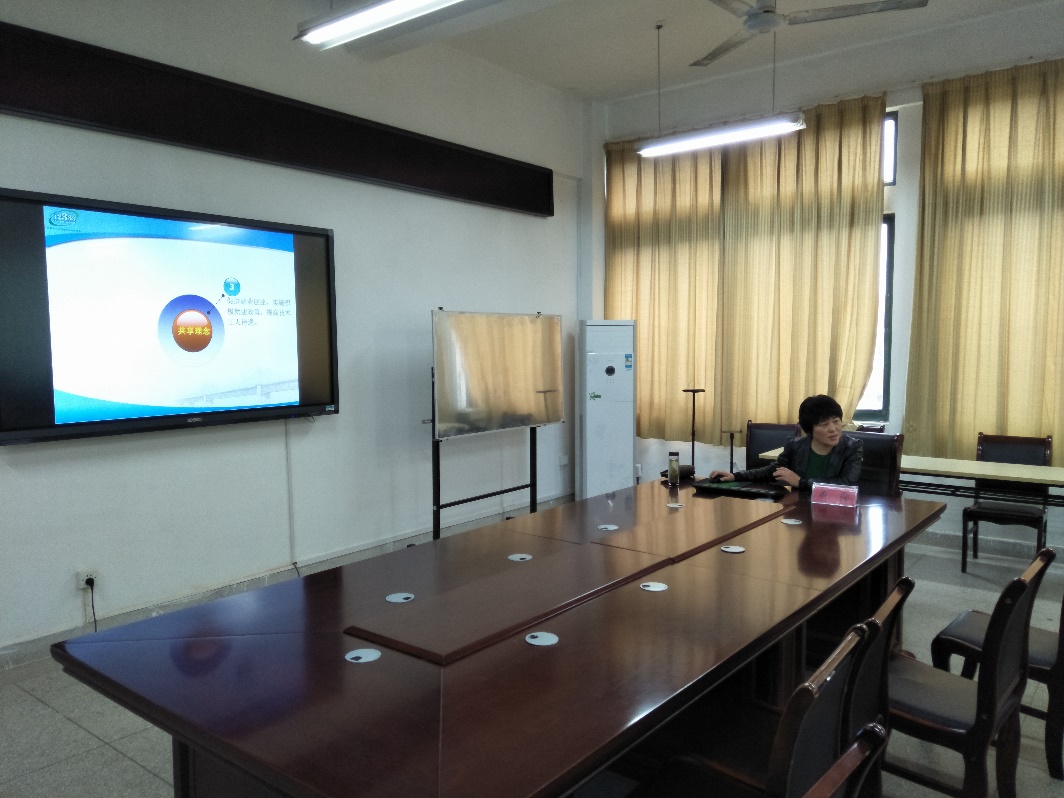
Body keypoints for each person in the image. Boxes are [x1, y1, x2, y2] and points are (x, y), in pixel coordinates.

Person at [709, 395, 863, 491]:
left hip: (836, 510)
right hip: (799, 508)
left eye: (836, 421)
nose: (833, 429)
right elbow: (771, 472)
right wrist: (735, 476)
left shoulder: (852, 448)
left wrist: (800, 482)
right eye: (824, 425)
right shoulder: (796, 446)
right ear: (810, 430)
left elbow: (846, 485)